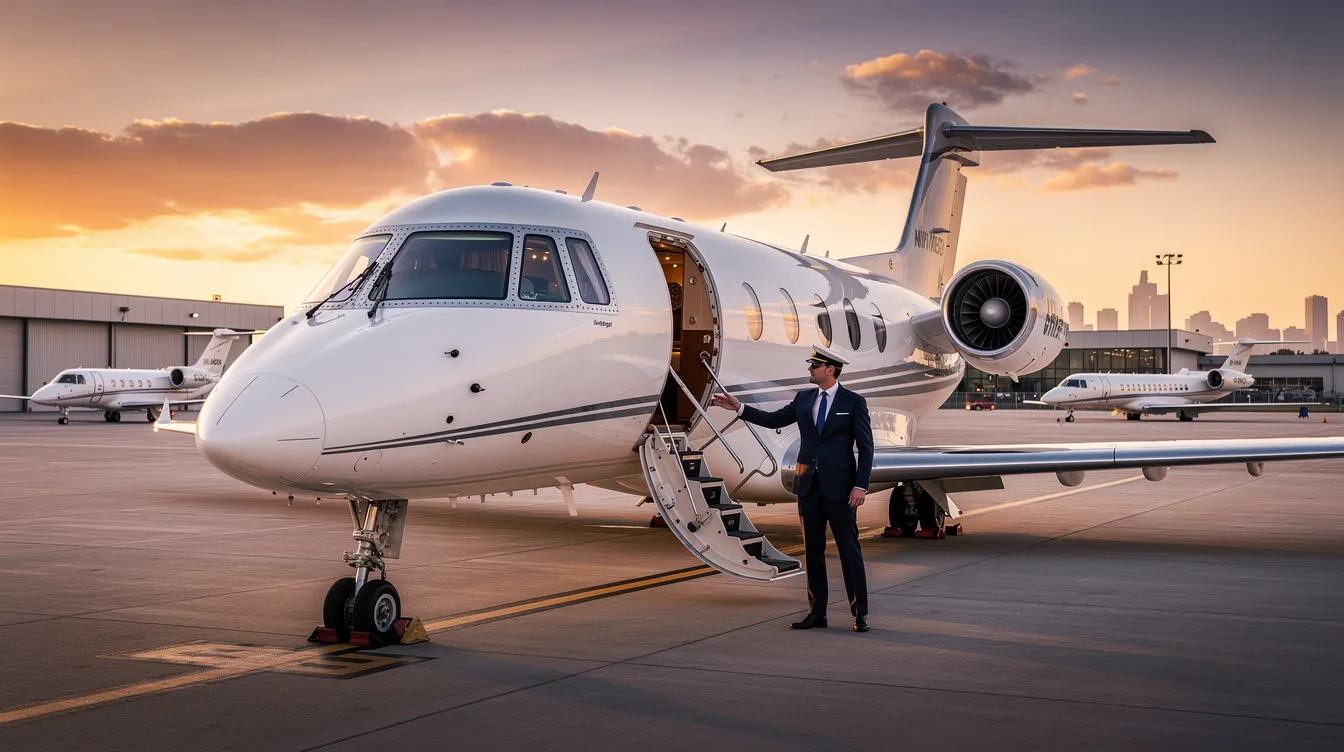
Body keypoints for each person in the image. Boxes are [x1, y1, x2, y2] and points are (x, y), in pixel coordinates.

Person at [712, 345, 874, 632]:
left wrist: (860, 485)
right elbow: (774, 419)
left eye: (815, 365)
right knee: (813, 551)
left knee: (849, 551)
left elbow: (865, 446)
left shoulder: (853, 402)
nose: (809, 369)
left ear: (830, 370)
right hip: (808, 487)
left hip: (840, 490)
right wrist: (739, 407)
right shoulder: (804, 399)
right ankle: (817, 613)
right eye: (811, 365)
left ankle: (859, 613)